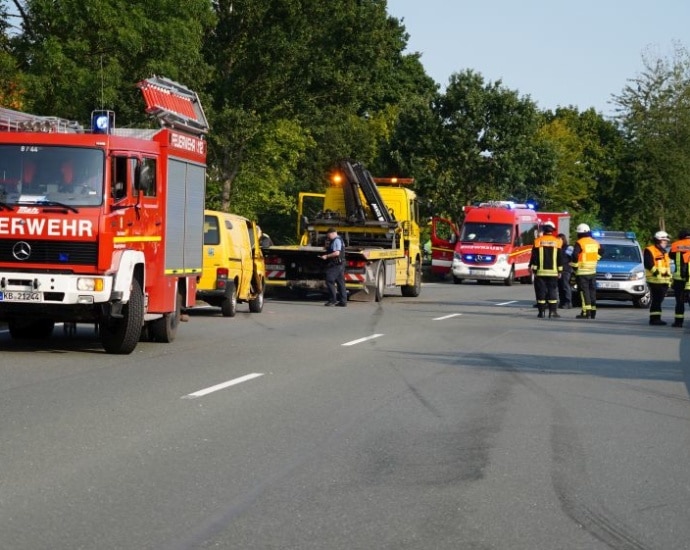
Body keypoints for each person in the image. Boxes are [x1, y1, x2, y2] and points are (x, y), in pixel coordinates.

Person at [530, 221, 563, 318]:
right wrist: (560, 270)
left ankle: (541, 312)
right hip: (553, 273)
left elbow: (534, 258)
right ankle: (552, 312)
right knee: (552, 291)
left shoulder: (537, 241)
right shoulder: (558, 241)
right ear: (552, 231)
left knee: (541, 292)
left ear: (543, 231)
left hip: (540, 272)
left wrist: (534, 270)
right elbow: (559, 258)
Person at [570, 223, 602, 319]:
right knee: (592, 291)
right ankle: (593, 311)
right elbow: (602, 251)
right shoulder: (595, 242)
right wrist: (597, 258)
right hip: (592, 271)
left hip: (582, 271)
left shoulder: (580, 242)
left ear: (579, 233)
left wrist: (575, 266)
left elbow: (575, 255)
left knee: (584, 292)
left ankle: (585, 312)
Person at [644, 230, 671, 325]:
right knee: (657, 300)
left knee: (658, 300)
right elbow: (648, 264)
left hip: (663, 281)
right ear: (659, 240)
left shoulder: (664, 252)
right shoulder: (650, 250)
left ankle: (656, 318)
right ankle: (654, 319)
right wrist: (657, 273)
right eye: (664, 241)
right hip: (655, 280)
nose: (666, 242)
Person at [668, 229, 690, 328]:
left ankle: (678, 322)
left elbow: (670, 256)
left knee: (679, 302)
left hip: (679, 280)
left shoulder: (675, 245)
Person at [320, 227, 347, 307]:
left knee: (329, 279)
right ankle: (343, 301)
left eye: (328, 235)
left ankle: (333, 300)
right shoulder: (339, 240)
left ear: (332, 233)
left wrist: (326, 256)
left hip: (336, 264)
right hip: (340, 263)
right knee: (340, 282)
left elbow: (337, 253)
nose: (328, 237)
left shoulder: (336, 240)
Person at [558, 232, 573, 309]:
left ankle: (568, 302)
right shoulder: (558, 248)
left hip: (566, 270)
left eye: (559, 239)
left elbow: (574, 257)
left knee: (565, 286)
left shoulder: (568, 248)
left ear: (563, 239)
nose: (558, 241)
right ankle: (562, 302)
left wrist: (571, 264)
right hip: (559, 270)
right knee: (560, 287)